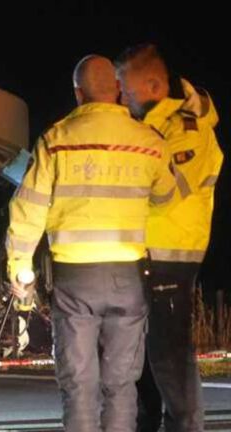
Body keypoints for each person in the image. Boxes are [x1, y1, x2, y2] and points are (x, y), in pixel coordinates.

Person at [5, 55, 176, 431]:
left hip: (74, 279)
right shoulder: (149, 143)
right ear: (117, 89)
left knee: (80, 385)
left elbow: (28, 208)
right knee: (121, 384)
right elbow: (168, 199)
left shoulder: (56, 140)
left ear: (77, 93)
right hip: (128, 275)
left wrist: (21, 267)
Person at [116, 43, 223, 432]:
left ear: (154, 85)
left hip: (171, 257)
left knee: (170, 357)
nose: (123, 98)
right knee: (143, 358)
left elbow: (166, 191)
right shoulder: (150, 128)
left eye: (127, 90)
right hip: (144, 254)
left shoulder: (187, 130)